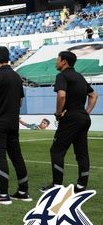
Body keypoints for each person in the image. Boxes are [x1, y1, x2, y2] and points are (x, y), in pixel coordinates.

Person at [40, 51, 97, 193]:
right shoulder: (80, 77)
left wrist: (58, 114)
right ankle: (81, 186)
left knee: (57, 151)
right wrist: (86, 111)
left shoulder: (62, 76)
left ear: (64, 61)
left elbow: (61, 95)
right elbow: (93, 95)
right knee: (82, 152)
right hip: (83, 118)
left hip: (70, 118)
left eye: (57, 59)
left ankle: (57, 186)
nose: (55, 62)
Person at [0, 46, 31, 205]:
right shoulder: (17, 77)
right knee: (17, 156)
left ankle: (3, 193)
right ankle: (23, 191)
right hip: (12, 122)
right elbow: (21, 101)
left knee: (0, 157)